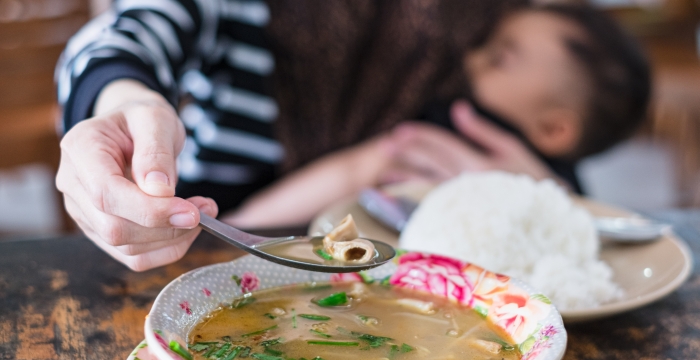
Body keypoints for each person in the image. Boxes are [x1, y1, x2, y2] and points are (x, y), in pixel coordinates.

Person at [55, 1, 648, 271]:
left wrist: (541, 190)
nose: (477, 62)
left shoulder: (497, 29)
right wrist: (123, 101)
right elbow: (126, 35)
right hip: (199, 250)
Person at [224, 3, 651, 228]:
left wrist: (240, 226)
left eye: (500, 57)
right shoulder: (563, 189)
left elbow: (356, 169)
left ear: (554, 128)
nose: (472, 57)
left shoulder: (459, 122)